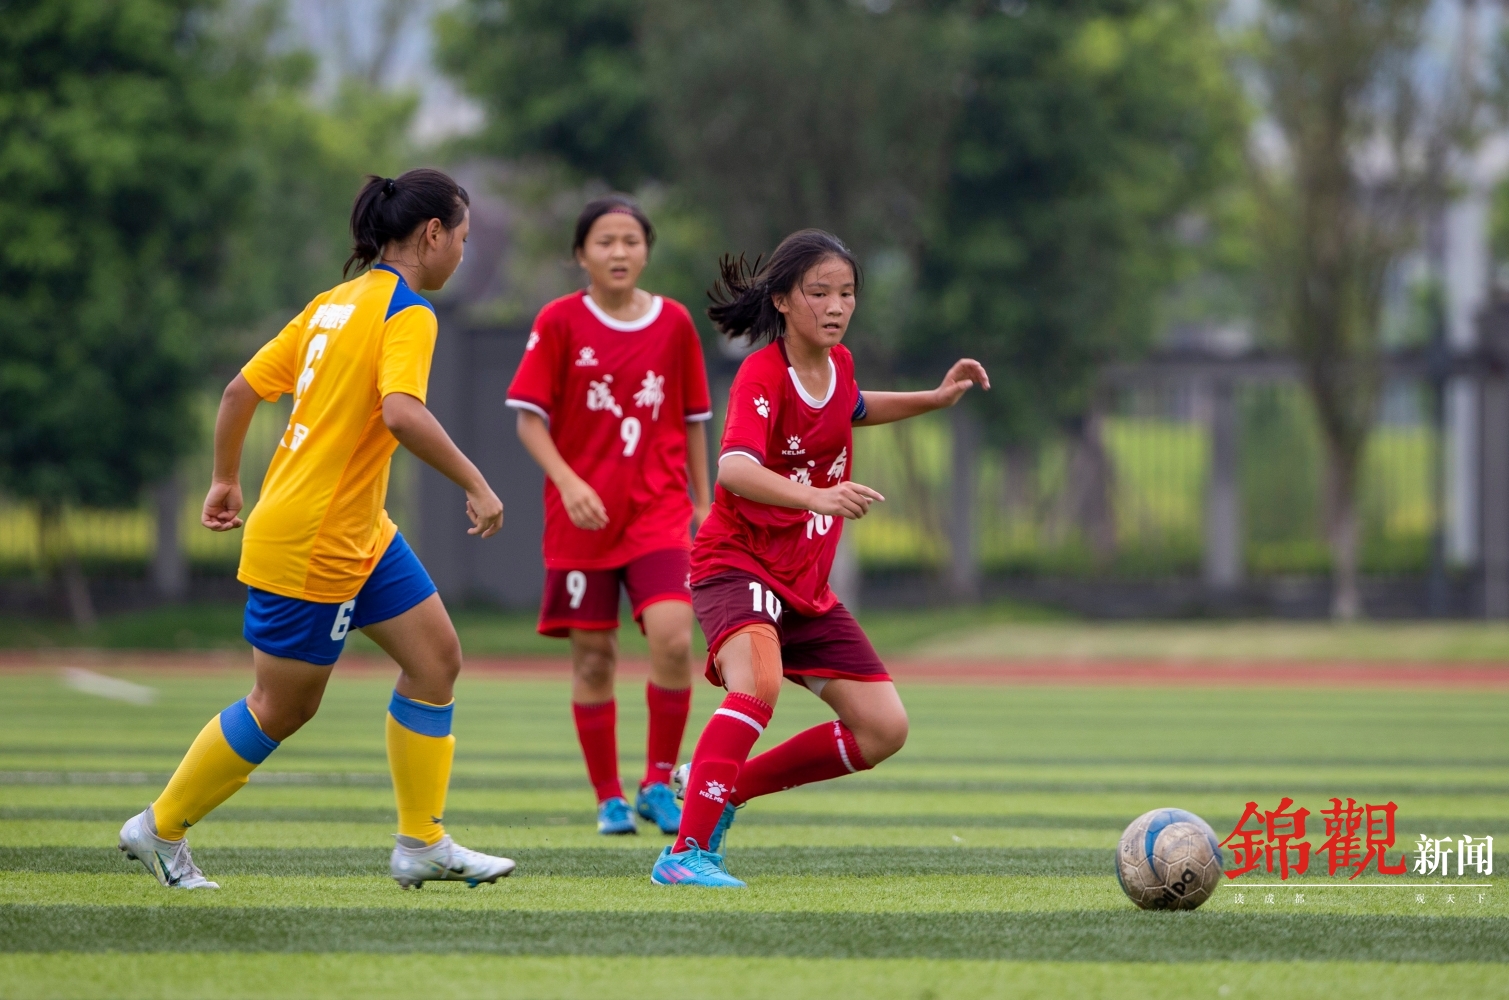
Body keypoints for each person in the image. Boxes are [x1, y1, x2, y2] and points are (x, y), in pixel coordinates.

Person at [118, 169, 516, 890]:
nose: (461, 251)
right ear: (433, 235)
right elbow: (402, 413)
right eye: (461, 237)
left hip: (361, 530)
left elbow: (239, 391)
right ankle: (159, 827)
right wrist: (477, 483)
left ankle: (422, 843)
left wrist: (225, 478)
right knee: (283, 707)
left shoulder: (333, 303)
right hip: (314, 538)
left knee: (435, 661)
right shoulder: (409, 312)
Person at [649, 229, 989, 887]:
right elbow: (733, 468)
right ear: (781, 299)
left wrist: (934, 398)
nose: (836, 306)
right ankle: (683, 855)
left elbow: (851, 406)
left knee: (883, 728)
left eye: (847, 293)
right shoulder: (761, 374)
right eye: (819, 293)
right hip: (738, 563)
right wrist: (817, 496)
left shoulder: (840, 366)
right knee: (758, 685)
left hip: (801, 582)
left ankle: (723, 788)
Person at [507, 195, 712, 836]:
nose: (619, 252)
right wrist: (568, 482)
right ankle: (608, 797)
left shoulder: (674, 322)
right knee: (594, 659)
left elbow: (694, 420)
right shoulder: (559, 321)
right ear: (581, 255)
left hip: (659, 512)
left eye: (631, 240)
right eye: (604, 241)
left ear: (646, 250)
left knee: (674, 637)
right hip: (583, 521)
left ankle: (657, 783)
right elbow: (529, 420)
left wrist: (703, 503)